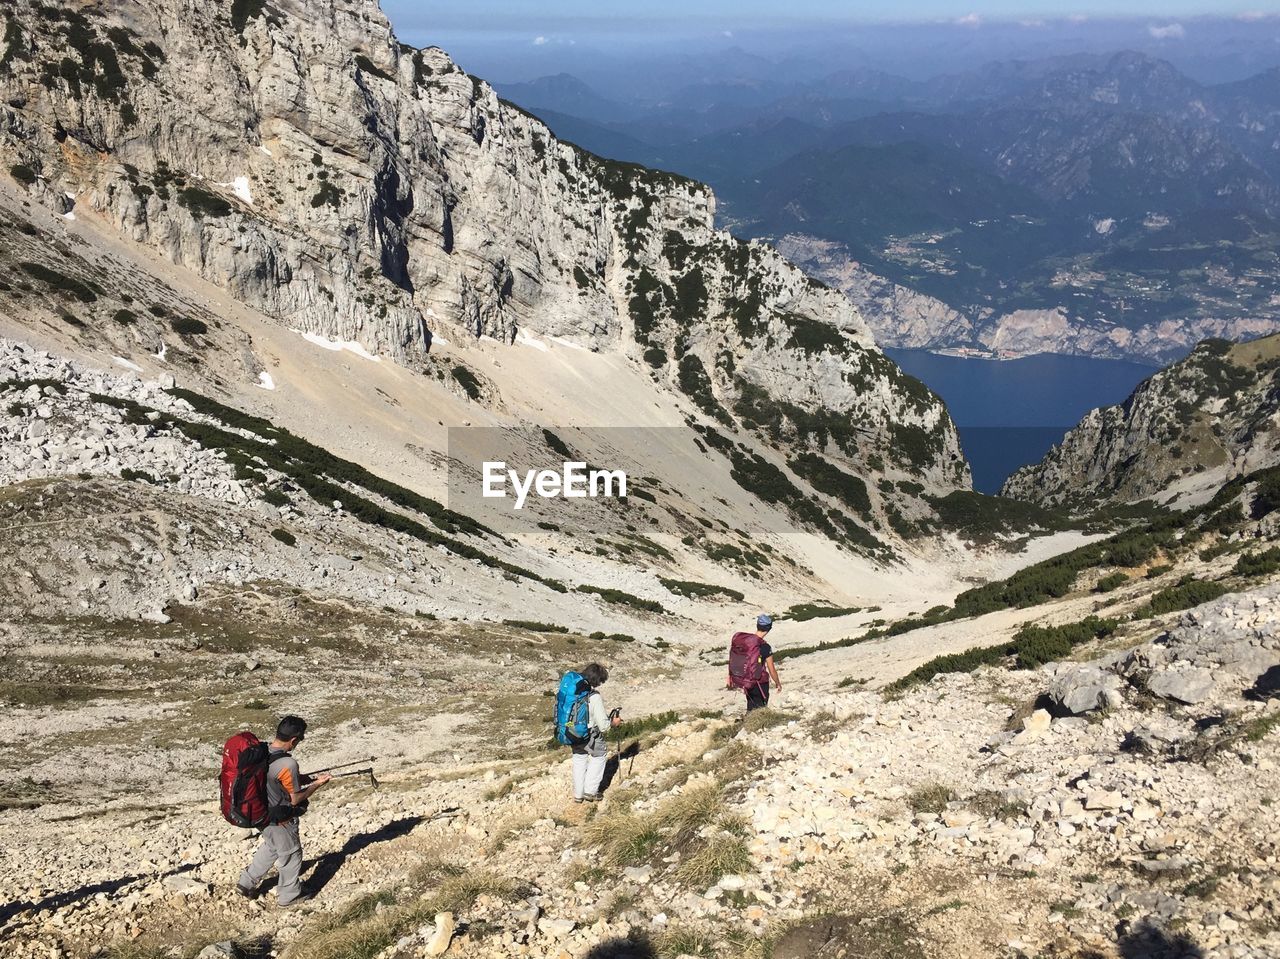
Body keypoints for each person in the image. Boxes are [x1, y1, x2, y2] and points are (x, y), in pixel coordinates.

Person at [235, 716, 331, 907]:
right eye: (300, 739)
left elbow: (275, 779)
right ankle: (289, 896)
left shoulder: (263, 752)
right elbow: (295, 798)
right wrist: (317, 785)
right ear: (294, 739)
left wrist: (304, 778)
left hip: (259, 814)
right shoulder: (288, 764)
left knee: (272, 847)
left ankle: (245, 883)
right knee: (291, 853)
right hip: (280, 819)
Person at [572, 662, 621, 803]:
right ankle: (590, 792)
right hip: (589, 734)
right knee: (599, 756)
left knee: (579, 759)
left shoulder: (574, 692)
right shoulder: (594, 696)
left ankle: (578, 795)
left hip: (572, 732)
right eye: (601, 681)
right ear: (597, 680)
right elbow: (604, 726)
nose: (600, 684)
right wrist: (614, 723)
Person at [727, 614, 782, 711]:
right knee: (760, 708)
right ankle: (756, 725)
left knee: (751, 705)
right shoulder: (765, 647)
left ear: (757, 625)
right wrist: (778, 683)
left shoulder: (747, 643)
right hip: (760, 682)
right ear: (769, 629)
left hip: (746, 680)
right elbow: (771, 669)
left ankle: (748, 724)